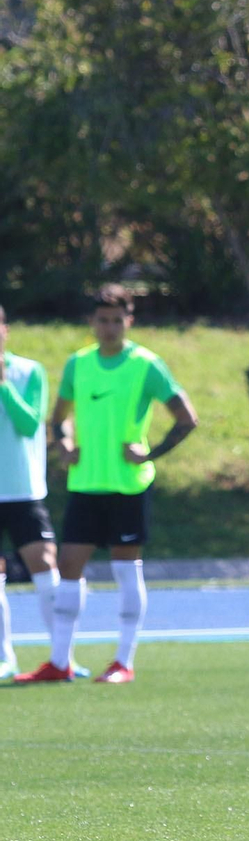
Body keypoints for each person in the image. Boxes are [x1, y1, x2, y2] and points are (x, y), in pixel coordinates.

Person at [16, 284, 198, 686]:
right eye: (103, 319)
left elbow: (186, 417)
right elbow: (58, 417)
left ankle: (123, 662)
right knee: (68, 568)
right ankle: (60, 662)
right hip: (86, 484)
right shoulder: (79, 364)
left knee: (124, 569)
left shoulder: (146, 364)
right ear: (92, 322)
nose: (110, 327)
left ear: (128, 322)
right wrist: (64, 444)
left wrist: (150, 454)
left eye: (118, 320)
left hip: (128, 486)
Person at [0, 304, 66, 683]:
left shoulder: (29, 371)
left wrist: (4, 385)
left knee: (45, 567)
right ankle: (4, 656)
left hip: (24, 491)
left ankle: (60, 656)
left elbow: (28, 424)